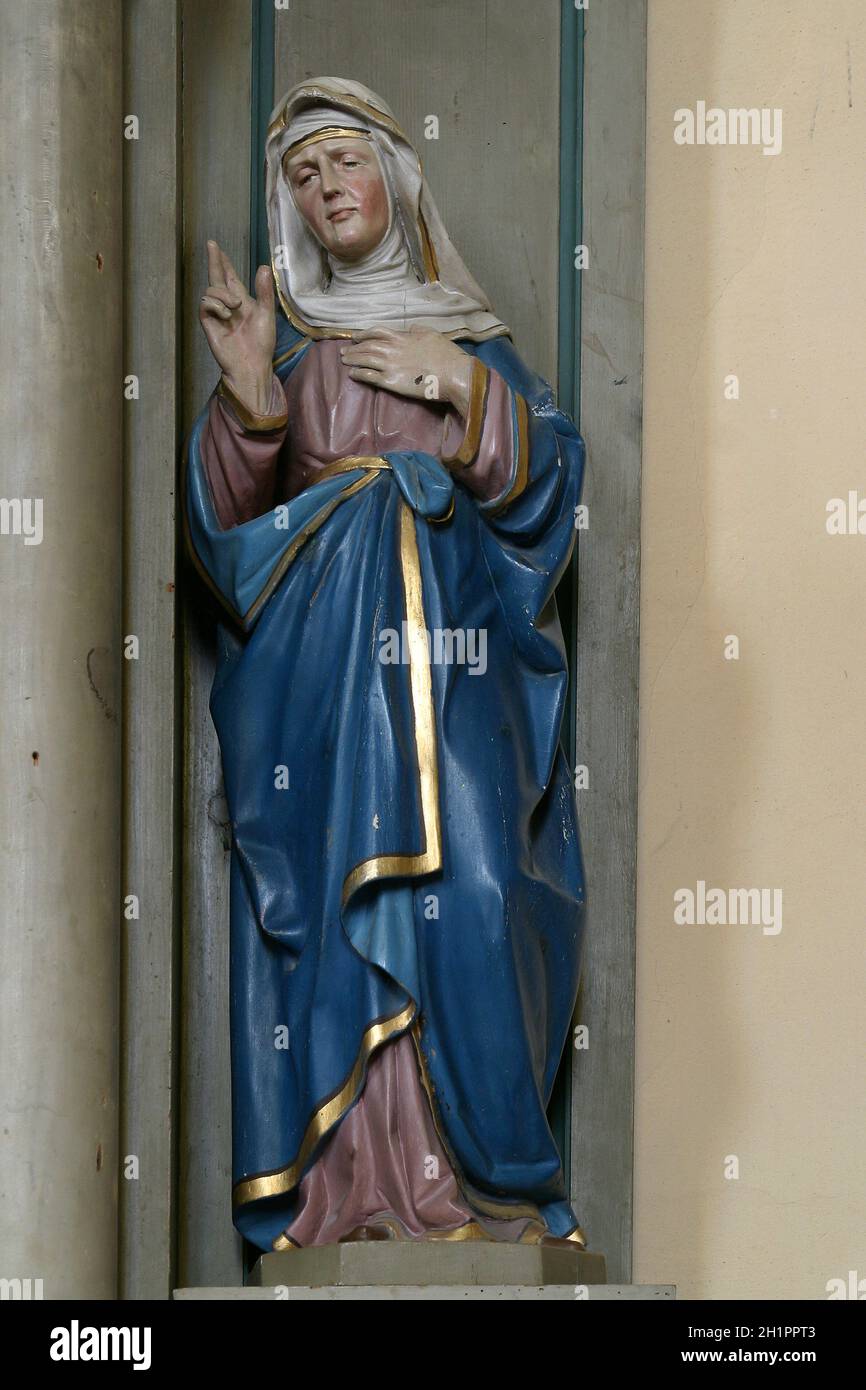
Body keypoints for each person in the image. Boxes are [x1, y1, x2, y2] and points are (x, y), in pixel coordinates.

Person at [184, 76, 588, 1253]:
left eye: (342, 165)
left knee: (466, 889)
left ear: (395, 179)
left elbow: (551, 496)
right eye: (301, 180)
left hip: (456, 677)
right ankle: (347, 1194)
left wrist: (460, 389)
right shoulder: (294, 347)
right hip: (323, 696)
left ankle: (476, 1186)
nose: (324, 194)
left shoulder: (467, 335)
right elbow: (223, 541)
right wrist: (252, 393)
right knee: (336, 913)